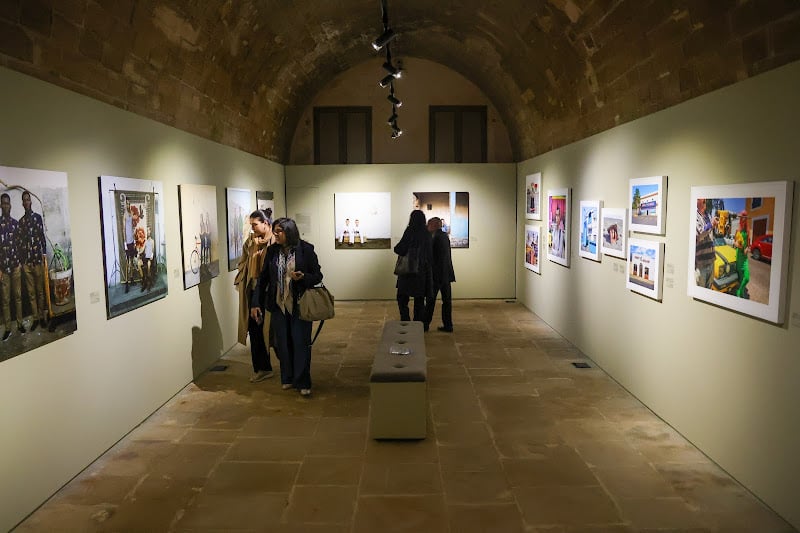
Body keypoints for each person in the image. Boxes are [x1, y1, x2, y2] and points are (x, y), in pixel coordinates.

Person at [252, 217, 322, 396]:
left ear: (289, 231)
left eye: (279, 231)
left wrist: (303, 277)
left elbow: (317, 275)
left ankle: (303, 381)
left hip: (300, 304)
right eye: (275, 231)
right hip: (278, 306)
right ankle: (287, 378)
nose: (275, 235)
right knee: (282, 344)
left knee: (301, 343)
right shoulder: (273, 251)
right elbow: (263, 278)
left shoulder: (306, 250)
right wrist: (255, 303)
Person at [236, 210, 275, 383]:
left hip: (271, 293)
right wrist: (244, 272)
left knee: (274, 332)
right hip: (253, 292)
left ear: (266, 223)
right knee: (255, 330)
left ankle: (290, 371)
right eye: (251, 225)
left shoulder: (274, 242)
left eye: (255, 224)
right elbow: (242, 262)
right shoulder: (250, 243)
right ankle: (262, 368)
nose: (252, 228)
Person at [394, 210, 433, 326]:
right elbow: (430, 255)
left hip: (408, 270)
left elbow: (400, 248)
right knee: (419, 300)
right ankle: (417, 325)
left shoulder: (410, 231)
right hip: (421, 272)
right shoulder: (427, 233)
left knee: (402, 297)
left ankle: (405, 321)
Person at [18, 190, 48, 331]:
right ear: (22, 203)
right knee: (31, 293)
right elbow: (19, 243)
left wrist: (44, 255)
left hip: (37, 261)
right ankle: (35, 318)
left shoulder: (37, 218)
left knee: (40, 291)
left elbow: (42, 237)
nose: (26, 202)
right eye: (24, 200)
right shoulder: (21, 222)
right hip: (27, 263)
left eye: (28, 199)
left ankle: (42, 317)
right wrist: (23, 262)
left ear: (31, 201)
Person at [424, 217, 455, 332]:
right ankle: (448, 325)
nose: (427, 226)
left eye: (429, 224)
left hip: (437, 275)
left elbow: (433, 257)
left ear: (435, 225)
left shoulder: (436, 238)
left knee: (431, 301)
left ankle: (425, 324)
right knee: (446, 301)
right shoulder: (444, 236)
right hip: (446, 273)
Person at [0, 193, 24, 341]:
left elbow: (20, 245)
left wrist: (20, 263)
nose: (6, 205)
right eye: (3, 203)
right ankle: (8, 328)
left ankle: (20, 324)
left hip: (15, 267)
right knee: (5, 300)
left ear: (10, 205)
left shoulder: (16, 224)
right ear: (0, 205)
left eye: (8, 203)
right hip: (3, 269)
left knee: (18, 297)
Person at [695, 198, 717, 289]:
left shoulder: (708, 215)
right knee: (700, 292)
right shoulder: (695, 215)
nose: (705, 200)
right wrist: (711, 225)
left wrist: (715, 226)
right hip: (701, 264)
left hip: (711, 262)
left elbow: (711, 235)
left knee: (708, 291)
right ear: (697, 201)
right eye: (702, 199)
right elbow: (699, 235)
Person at [735, 210, 750, 299]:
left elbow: (749, 245)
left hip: (744, 257)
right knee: (741, 278)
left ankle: (739, 290)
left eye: (744, 217)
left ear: (746, 218)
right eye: (741, 217)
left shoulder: (748, 231)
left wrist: (747, 249)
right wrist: (737, 244)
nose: (743, 219)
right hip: (739, 255)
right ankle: (741, 293)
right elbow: (735, 242)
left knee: (747, 277)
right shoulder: (738, 230)